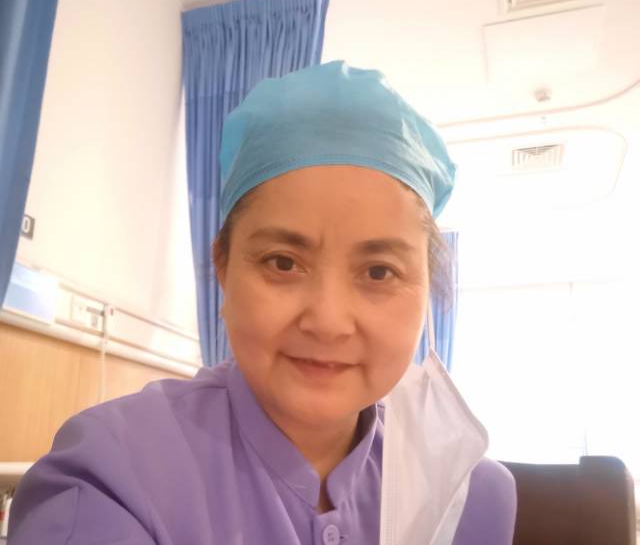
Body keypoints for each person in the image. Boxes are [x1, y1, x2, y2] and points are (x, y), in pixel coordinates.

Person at [8, 60, 516, 544]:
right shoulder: (112, 476)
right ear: (223, 268)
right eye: (283, 262)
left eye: (379, 271)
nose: (328, 321)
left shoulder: (466, 497)